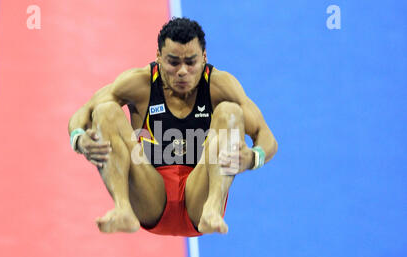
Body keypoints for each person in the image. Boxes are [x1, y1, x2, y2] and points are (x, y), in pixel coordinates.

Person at [68, 17, 277, 237]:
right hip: (149, 195)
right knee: (104, 112)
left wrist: (253, 157)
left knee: (230, 112)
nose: (182, 71)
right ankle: (123, 209)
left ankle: (212, 209)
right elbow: (83, 113)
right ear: (158, 57)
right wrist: (79, 140)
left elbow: (266, 136)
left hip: (200, 194)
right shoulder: (139, 84)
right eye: (174, 62)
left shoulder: (220, 85)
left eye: (191, 62)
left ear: (204, 58)